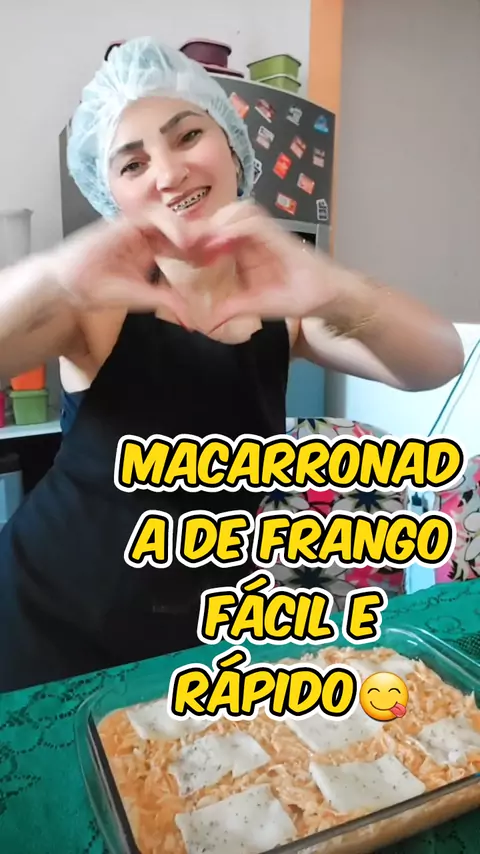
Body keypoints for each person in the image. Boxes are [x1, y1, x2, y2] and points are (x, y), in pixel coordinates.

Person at [0, 37, 463, 693]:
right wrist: (54, 278)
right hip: (44, 623)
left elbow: (438, 360)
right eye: (133, 164)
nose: (169, 173)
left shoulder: (288, 312)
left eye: (187, 136)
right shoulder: (94, 308)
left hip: (191, 637)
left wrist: (335, 288)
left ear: (232, 146)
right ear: (110, 196)